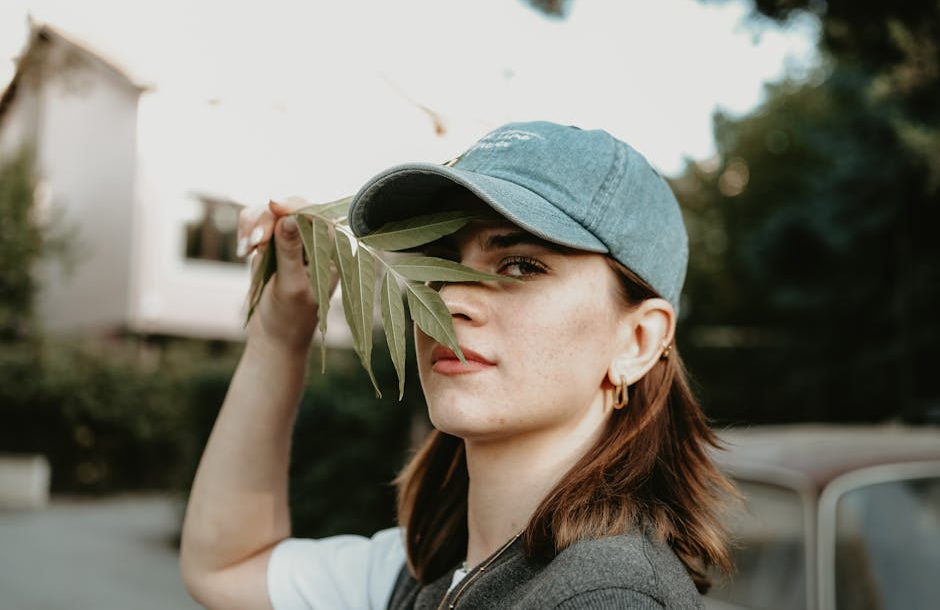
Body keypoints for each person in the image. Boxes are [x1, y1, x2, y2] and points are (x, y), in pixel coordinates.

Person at [180, 121, 736, 610]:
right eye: (437, 264)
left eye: (520, 266)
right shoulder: (424, 574)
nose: (447, 301)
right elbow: (226, 568)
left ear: (638, 340)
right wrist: (281, 332)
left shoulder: (606, 597)